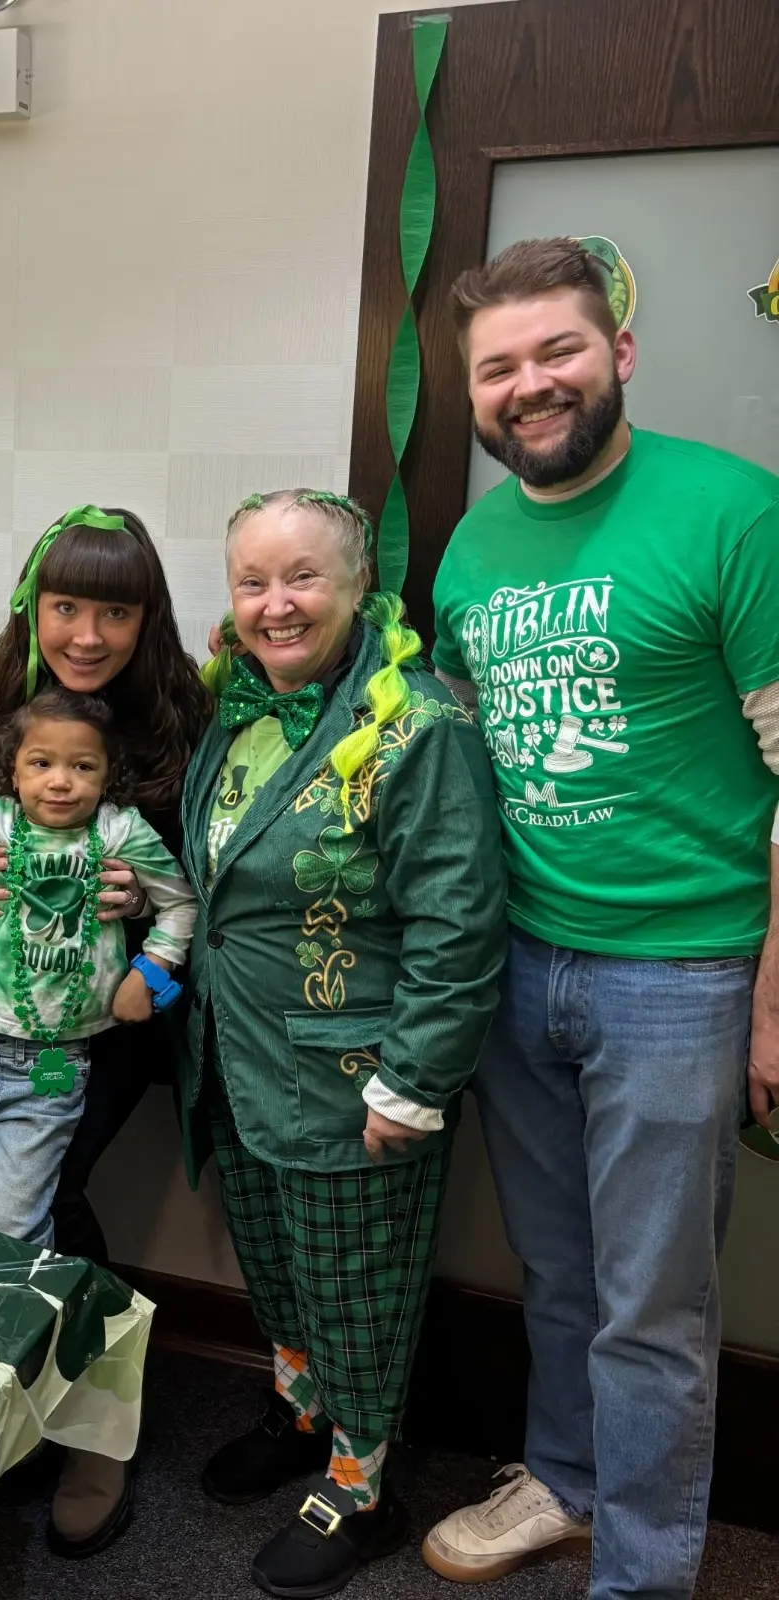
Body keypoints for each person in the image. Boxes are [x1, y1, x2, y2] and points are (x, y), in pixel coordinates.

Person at [422, 238, 779, 1600]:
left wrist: (771, 997)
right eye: (499, 366)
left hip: (680, 973)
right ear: (473, 392)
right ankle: (566, 1487)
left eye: (558, 351)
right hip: (521, 958)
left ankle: (641, 1572)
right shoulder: (474, 542)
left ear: (618, 353)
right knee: (557, 1268)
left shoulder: (735, 513)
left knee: (654, 1307)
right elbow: (458, 756)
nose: (532, 384)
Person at [182, 489, 504, 1599]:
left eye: (302, 577)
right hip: (239, 1057)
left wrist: (413, 1083)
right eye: (252, 581)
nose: (276, 604)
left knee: (354, 1289)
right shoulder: (234, 707)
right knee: (274, 1265)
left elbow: (457, 920)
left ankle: (361, 1485)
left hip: (352, 1075)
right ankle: (298, 1412)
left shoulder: (420, 726)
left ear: (360, 583)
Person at [0, 504, 211, 1560]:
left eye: (114, 610)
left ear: (143, 618)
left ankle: (88, 1429)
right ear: (32, 605)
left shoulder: (174, 709)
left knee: (47, 1201)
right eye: (66, 604)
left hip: (95, 1026)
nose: (86, 632)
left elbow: (203, 866)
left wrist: (142, 925)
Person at [0, 689, 195, 1245]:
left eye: (82, 766)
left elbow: (181, 903)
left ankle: (15, 1328)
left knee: (15, 1224)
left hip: (49, 1070)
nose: (60, 781)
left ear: (107, 776)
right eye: (41, 763)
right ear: (13, 772)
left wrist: (149, 973)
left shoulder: (119, 831)